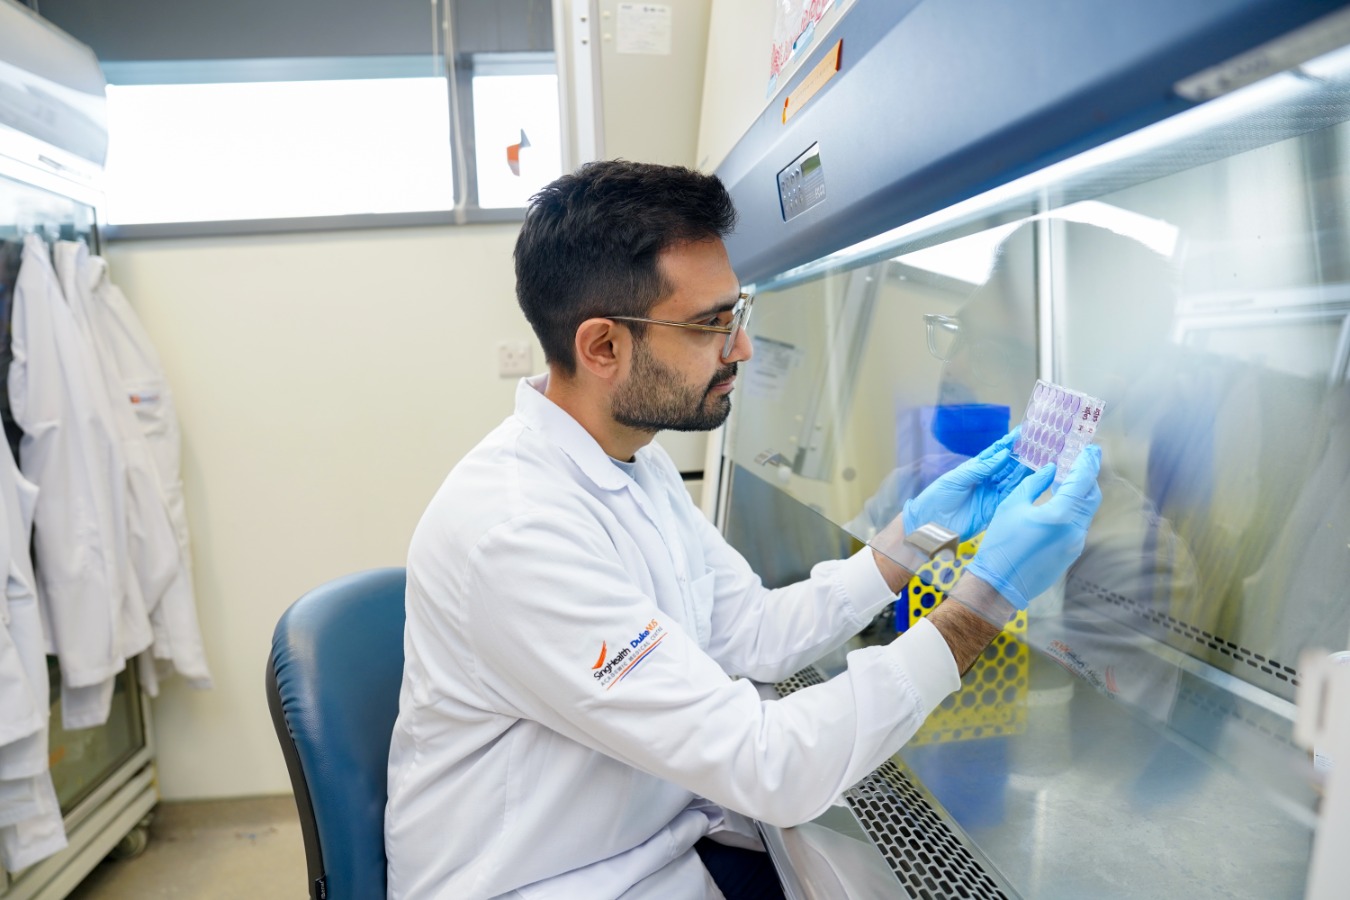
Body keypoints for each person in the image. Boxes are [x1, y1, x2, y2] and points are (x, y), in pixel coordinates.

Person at [383, 160, 1102, 900]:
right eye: (709, 325)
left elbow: (752, 628)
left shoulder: (633, 462)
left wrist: (921, 534)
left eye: (739, 313)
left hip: (654, 846)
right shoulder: (516, 532)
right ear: (602, 348)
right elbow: (770, 768)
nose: (743, 349)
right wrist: (986, 600)